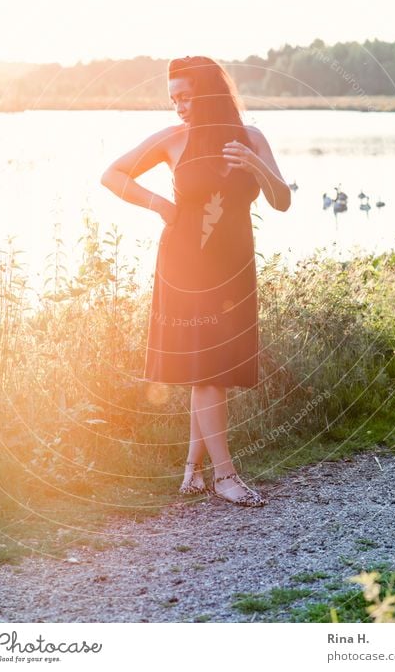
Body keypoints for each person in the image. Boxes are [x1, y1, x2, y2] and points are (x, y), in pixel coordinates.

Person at [101, 56, 291, 507]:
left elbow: (282, 200)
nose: (179, 107)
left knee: (209, 372)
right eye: (174, 99)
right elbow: (112, 175)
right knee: (207, 369)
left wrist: (254, 164)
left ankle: (193, 473)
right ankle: (225, 476)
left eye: (186, 97)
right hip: (186, 265)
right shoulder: (173, 139)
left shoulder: (251, 137)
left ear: (209, 94)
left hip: (235, 265)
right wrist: (160, 206)